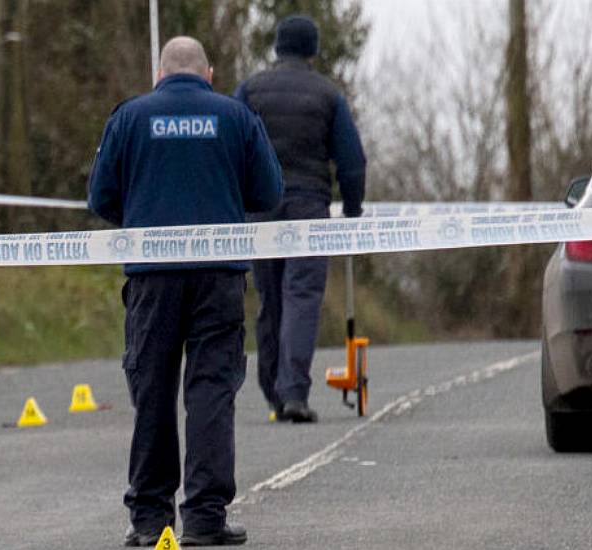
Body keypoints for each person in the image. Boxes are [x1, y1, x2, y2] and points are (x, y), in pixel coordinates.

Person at [88, 36, 283, 547]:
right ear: (209, 74)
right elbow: (268, 192)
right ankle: (204, 517)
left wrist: (142, 216)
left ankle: (151, 520)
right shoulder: (236, 117)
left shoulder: (129, 118)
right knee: (211, 392)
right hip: (219, 276)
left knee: (152, 392)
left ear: (158, 75)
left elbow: (100, 196)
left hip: (151, 279)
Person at [235, 15, 367, 424]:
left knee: (270, 296)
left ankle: (272, 390)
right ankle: (293, 391)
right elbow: (352, 161)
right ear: (312, 49)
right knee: (302, 295)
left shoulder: (250, 90)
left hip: (261, 207)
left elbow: (232, 143)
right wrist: (352, 207)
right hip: (308, 205)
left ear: (277, 47)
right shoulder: (328, 94)